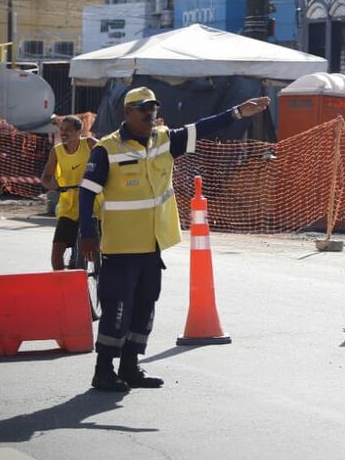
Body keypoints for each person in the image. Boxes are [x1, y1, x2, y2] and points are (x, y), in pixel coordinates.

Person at [78, 86, 270, 392]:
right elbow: (86, 192)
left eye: (153, 108)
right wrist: (87, 232)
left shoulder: (165, 140)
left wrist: (237, 112)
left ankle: (130, 367)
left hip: (152, 246)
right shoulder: (107, 149)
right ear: (127, 113)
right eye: (143, 108)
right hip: (121, 247)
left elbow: (203, 127)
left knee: (145, 306)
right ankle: (104, 370)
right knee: (117, 307)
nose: (149, 114)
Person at [40, 115, 98, 271]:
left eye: (68, 130)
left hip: (93, 203)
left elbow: (108, 160)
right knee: (57, 251)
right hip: (69, 205)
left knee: (96, 244)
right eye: (62, 130)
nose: (63, 133)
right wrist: (54, 185)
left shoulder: (90, 144)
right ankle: (62, 287)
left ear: (79, 132)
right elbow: (45, 178)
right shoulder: (57, 151)